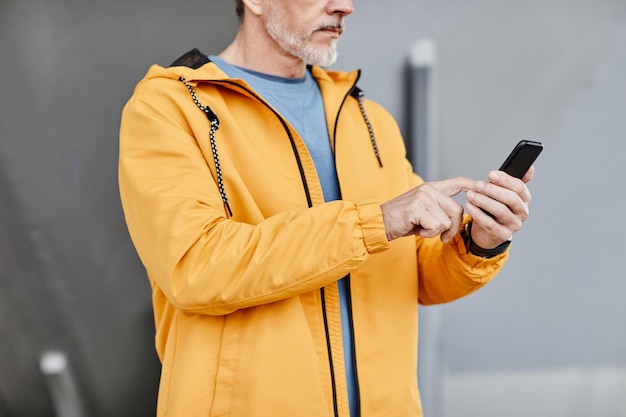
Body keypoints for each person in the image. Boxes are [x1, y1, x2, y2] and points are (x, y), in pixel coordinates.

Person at [118, 1, 534, 416]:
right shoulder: (169, 108)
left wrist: (482, 241)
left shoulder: (368, 119)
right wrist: (379, 221)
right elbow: (196, 267)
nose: (345, 7)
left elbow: (417, 276)